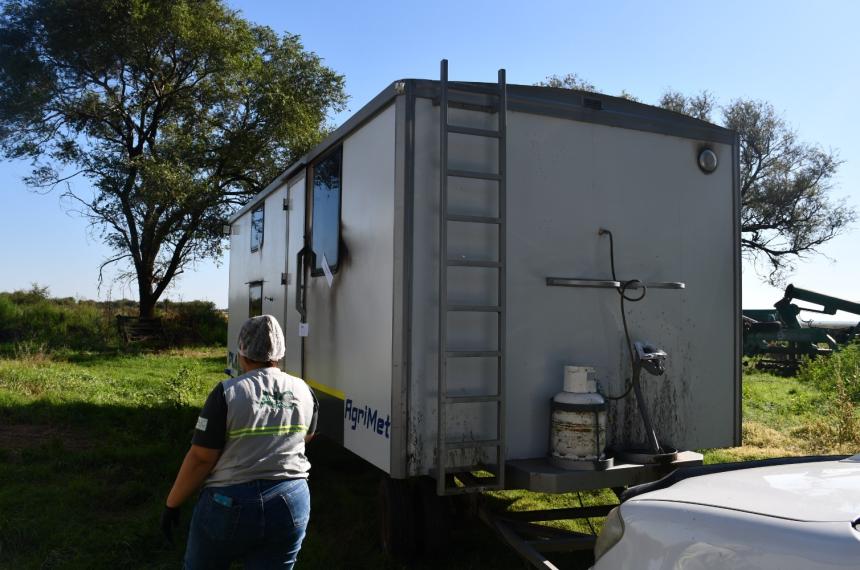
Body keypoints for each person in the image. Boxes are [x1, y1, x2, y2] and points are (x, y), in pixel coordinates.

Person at [161, 315, 319, 569]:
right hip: (291, 500)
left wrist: (173, 503)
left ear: (242, 353)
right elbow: (306, 437)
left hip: (229, 503)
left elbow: (201, 458)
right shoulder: (304, 390)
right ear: (279, 353)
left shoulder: (228, 392)